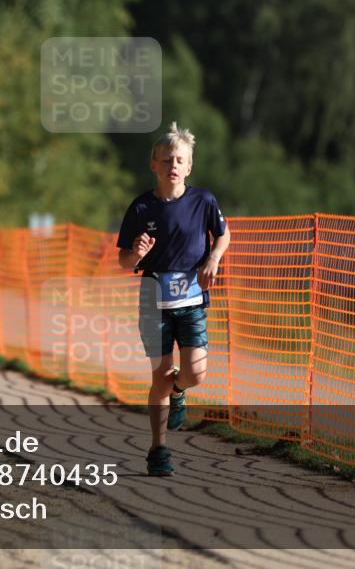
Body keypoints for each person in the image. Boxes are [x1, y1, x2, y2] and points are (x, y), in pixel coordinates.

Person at [117, 122, 230, 476]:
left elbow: (223, 235)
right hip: (153, 300)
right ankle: (158, 449)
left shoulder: (203, 201)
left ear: (189, 166)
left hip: (193, 299)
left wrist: (213, 258)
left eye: (180, 160)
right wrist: (136, 252)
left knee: (195, 372)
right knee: (161, 375)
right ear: (154, 165)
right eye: (166, 160)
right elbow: (123, 260)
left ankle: (180, 391)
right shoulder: (141, 208)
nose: (173, 166)